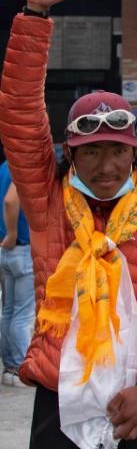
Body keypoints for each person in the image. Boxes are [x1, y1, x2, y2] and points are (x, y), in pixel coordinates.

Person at [0, 0, 137, 448]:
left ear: (135, 153)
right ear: (70, 155)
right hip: (58, 399)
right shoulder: (48, 200)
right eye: (90, 153)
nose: (105, 167)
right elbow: (21, 116)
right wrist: (35, 14)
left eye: (117, 152)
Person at [0, 160, 34, 387]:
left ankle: (10, 368)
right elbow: (11, 200)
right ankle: (23, 370)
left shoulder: (3, 167)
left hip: (7, 250)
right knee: (23, 314)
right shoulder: (21, 166)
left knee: (9, 311)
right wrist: (12, 234)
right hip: (20, 247)